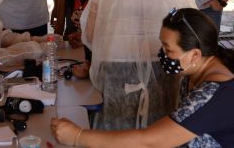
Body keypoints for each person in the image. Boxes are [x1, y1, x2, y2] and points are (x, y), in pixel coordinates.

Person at [51, 8, 234, 148]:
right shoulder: (195, 70)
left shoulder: (214, 94)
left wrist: (77, 136)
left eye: (168, 49)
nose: (162, 54)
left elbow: (151, 141)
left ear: (194, 54)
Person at [79, 0, 197, 130]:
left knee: (115, 124)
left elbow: (90, 33)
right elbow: (192, 29)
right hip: (164, 65)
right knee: (159, 123)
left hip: (114, 66)